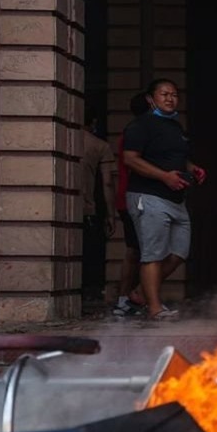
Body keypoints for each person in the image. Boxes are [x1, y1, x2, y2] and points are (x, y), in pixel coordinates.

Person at [122, 78, 207, 320]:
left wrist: (193, 168)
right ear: (151, 99)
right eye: (164, 94)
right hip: (149, 197)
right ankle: (155, 308)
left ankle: (140, 292)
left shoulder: (175, 127)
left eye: (174, 94)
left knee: (179, 252)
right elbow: (130, 159)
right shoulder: (141, 125)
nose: (170, 98)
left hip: (175, 199)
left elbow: (177, 158)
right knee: (153, 253)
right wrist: (163, 177)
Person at [112, 92, 152, 317]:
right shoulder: (138, 131)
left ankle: (130, 298)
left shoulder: (135, 130)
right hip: (134, 199)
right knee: (136, 251)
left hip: (129, 198)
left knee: (137, 251)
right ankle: (127, 298)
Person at [79, 107, 116, 306]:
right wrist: (111, 214)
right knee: (90, 256)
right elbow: (107, 183)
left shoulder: (61, 139)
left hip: (57, 210)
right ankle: (89, 297)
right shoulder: (100, 145)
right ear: (93, 123)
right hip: (87, 209)